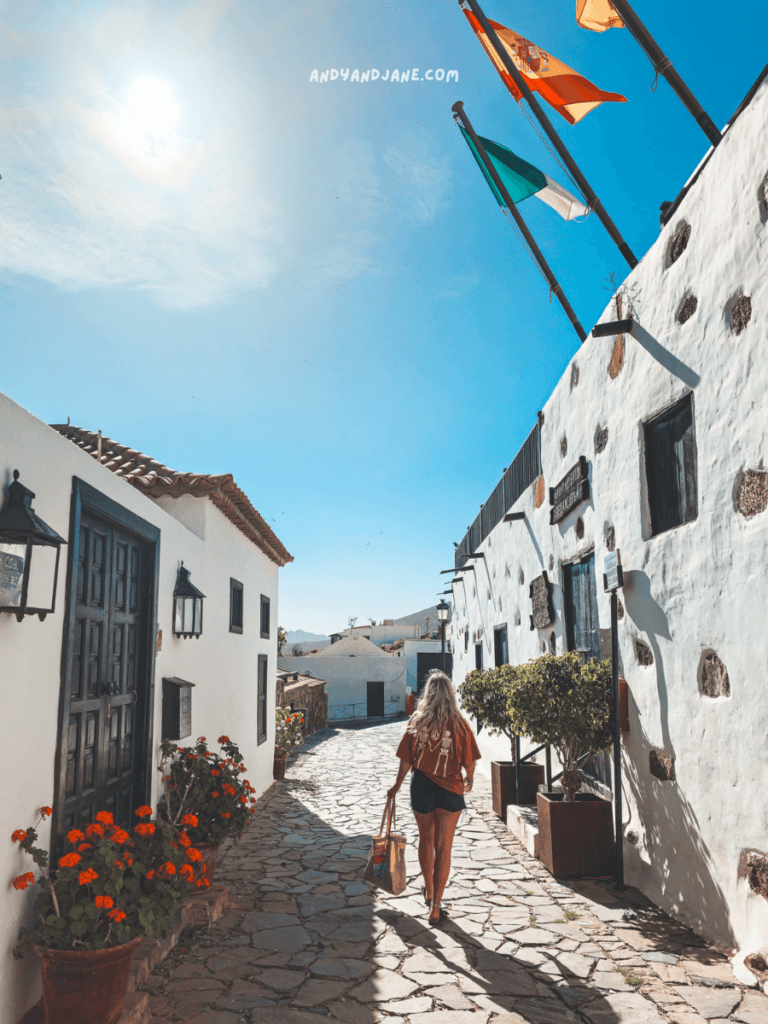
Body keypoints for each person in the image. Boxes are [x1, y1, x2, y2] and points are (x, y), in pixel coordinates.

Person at [387, 669, 481, 926]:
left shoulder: (417, 720)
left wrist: (396, 785)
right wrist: (469, 779)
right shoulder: (460, 724)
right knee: (444, 848)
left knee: (425, 840)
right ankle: (436, 907)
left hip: (422, 787)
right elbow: (469, 761)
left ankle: (428, 891)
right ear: (450, 694)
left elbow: (407, 758)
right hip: (451, 790)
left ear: (428, 694)